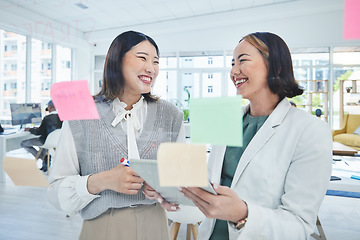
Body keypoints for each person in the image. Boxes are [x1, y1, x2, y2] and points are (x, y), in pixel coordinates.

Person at [181, 32, 332, 239]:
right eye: (232, 63)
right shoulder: (226, 119)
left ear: (276, 67)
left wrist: (242, 215)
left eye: (242, 61)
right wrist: (171, 193)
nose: (234, 71)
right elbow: (210, 185)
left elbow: (299, 226)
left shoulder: (310, 130)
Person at [47, 31, 184, 240]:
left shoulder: (171, 115)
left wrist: (164, 190)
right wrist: (101, 181)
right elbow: (56, 192)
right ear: (117, 61)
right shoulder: (80, 114)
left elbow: (182, 182)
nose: (151, 68)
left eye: (156, 61)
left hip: (156, 224)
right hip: (102, 226)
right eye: (142, 58)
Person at [21, 100, 62, 172]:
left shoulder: (47, 118)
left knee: (23, 143)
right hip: (56, 141)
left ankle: (42, 157)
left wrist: (30, 129)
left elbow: (39, 132)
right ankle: (45, 160)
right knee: (43, 147)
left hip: (45, 142)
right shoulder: (61, 117)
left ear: (49, 107)